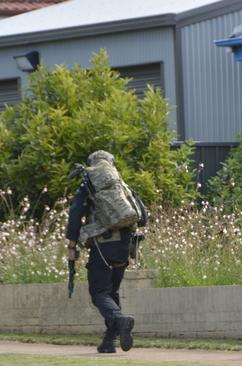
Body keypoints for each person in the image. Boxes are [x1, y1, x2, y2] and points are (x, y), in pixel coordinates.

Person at [65, 150, 146, 354]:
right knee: (111, 292)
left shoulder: (89, 183)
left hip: (103, 244)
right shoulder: (121, 184)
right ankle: (109, 342)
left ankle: (120, 321)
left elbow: (75, 215)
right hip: (125, 244)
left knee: (99, 293)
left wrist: (71, 246)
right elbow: (143, 217)